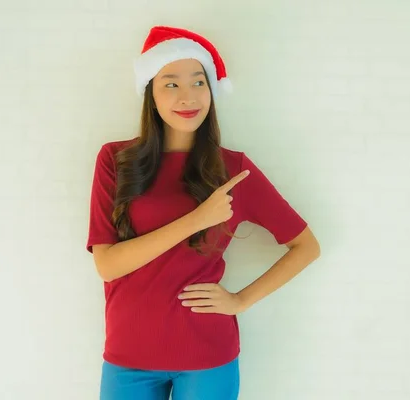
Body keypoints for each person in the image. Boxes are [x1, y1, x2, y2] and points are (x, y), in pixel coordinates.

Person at [86, 25, 321, 400]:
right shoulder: (117, 160)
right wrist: (196, 220)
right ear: (151, 93)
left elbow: (306, 246)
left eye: (198, 82)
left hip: (208, 354)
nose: (188, 97)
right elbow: (108, 265)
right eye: (171, 84)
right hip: (128, 353)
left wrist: (240, 300)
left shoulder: (232, 168)